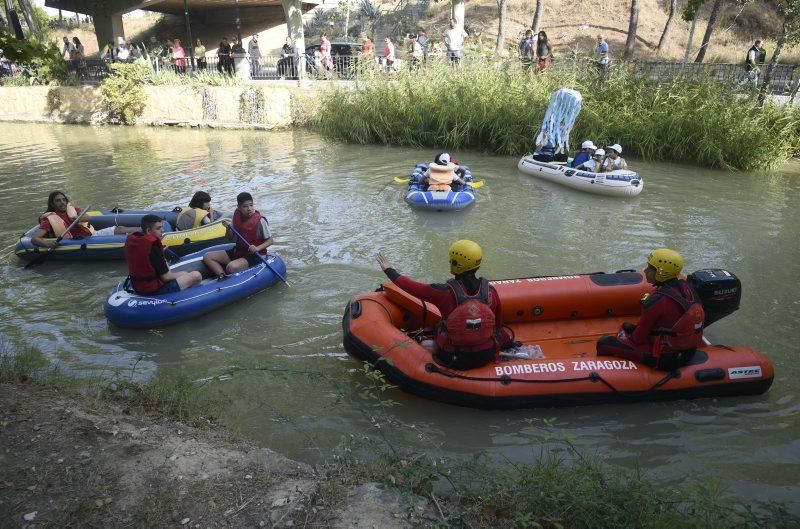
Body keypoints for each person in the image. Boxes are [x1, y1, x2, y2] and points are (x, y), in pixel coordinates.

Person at [376, 240, 514, 370]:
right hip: (486, 354)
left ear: (456, 264)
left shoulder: (442, 293)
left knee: (434, 332)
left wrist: (389, 270)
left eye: (451, 260)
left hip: (453, 358)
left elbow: (409, 286)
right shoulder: (491, 292)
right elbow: (497, 325)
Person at [596, 249, 705, 370]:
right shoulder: (687, 288)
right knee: (628, 327)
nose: (645, 271)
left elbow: (638, 339)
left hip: (666, 358)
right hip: (688, 351)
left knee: (605, 342)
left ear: (661, 272)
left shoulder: (658, 300)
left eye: (650, 268)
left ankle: (608, 373)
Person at [123, 215, 202, 295]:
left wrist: (161, 254)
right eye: (158, 228)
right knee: (196, 275)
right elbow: (166, 277)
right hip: (152, 290)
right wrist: (184, 273)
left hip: (138, 286)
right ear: (148, 231)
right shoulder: (153, 247)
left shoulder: (134, 241)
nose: (163, 230)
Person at [203, 192, 273, 279]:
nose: (249, 209)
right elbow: (230, 238)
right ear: (239, 207)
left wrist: (257, 248)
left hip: (255, 255)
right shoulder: (237, 218)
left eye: (251, 205)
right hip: (239, 251)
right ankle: (222, 276)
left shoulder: (260, 221)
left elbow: (270, 241)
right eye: (245, 206)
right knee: (208, 256)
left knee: (231, 267)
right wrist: (228, 229)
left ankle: (229, 274)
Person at [30, 191, 137, 247]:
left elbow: (88, 217)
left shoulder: (74, 210)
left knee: (121, 229)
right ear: (52, 204)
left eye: (64, 200)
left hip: (92, 235)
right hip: (75, 242)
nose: (62, 202)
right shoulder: (49, 220)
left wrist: (78, 218)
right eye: (58, 200)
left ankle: (146, 233)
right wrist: (46, 244)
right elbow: (35, 238)